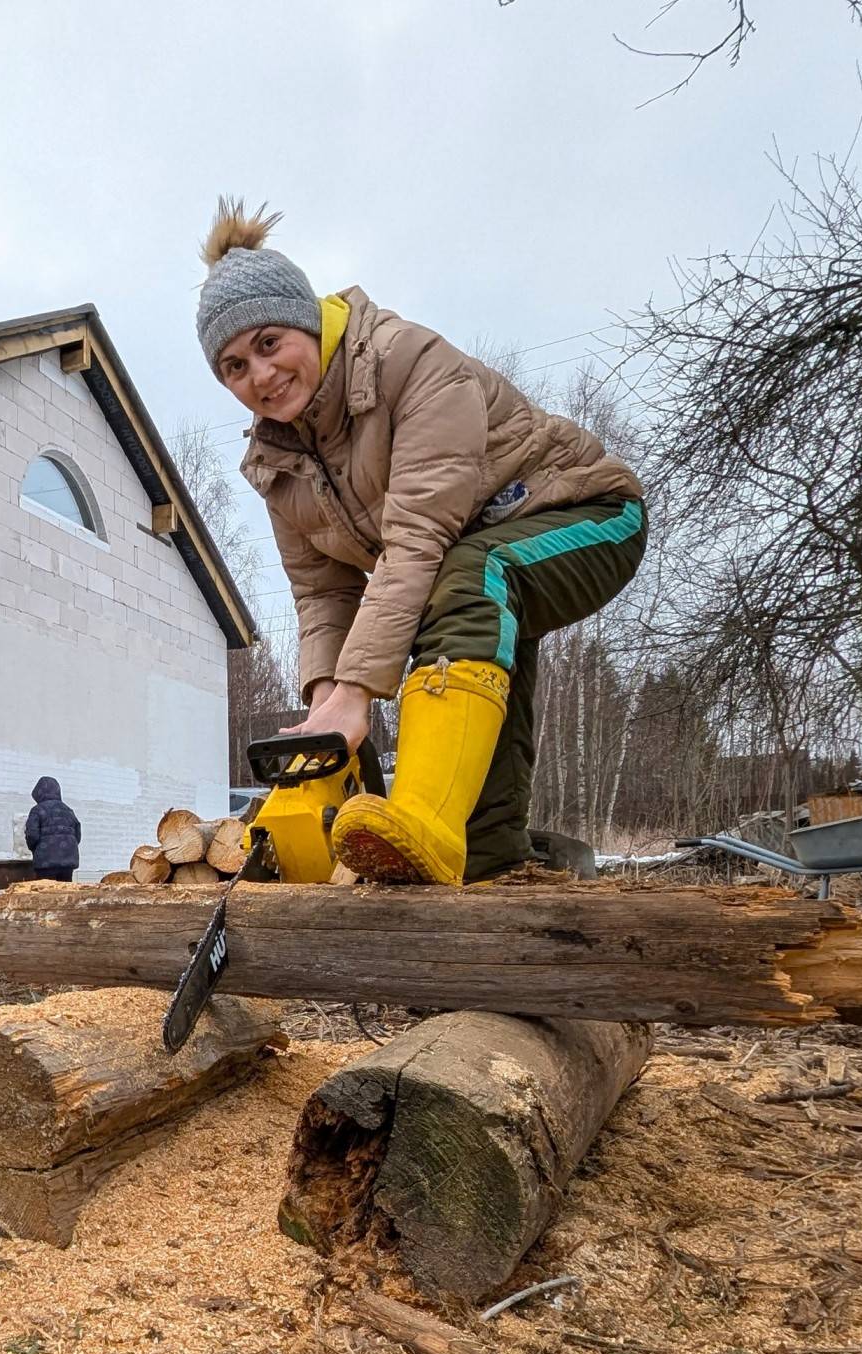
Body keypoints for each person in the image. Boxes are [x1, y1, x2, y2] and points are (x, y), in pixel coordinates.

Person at [199, 201, 645, 885]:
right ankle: (485, 868)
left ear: (309, 321)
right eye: (233, 366)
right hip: (474, 568)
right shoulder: (276, 463)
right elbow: (323, 595)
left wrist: (358, 692)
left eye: (268, 343)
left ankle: (423, 820)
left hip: (587, 516)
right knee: (468, 633)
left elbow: (416, 541)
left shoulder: (411, 365)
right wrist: (325, 706)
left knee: (468, 576)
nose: (258, 376)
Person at [22, 776, 81, 881]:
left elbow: (32, 834)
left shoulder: (36, 810)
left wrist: (34, 849)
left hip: (45, 862)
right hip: (68, 861)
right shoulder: (69, 810)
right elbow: (78, 835)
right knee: (66, 893)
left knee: (46, 894)